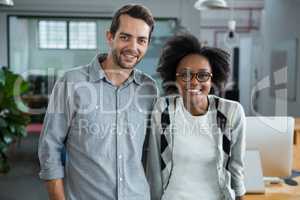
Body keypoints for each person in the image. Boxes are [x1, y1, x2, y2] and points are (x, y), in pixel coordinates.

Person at [38, 4, 158, 200]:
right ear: (110, 37)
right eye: (125, 37)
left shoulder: (149, 89)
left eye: (141, 40)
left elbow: (148, 151)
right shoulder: (72, 83)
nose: (133, 47)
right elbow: (49, 147)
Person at [145, 33, 246, 200]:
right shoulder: (163, 110)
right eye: (185, 75)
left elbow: (237, 168)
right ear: (174, 77)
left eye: (203, 75)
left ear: (212, 78)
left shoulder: (231, 112)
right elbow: (154, 170)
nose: (193, 82)